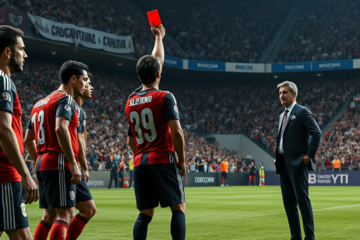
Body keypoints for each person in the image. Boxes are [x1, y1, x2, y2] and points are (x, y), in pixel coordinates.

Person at [126, 24, 186, 240]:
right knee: (178, 208)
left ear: (139, 76)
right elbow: (177, 132)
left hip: (141, 162)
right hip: (163, 159)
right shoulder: (165, 97)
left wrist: (158, 38)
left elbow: (130, 140)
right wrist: (181, 160)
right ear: (159, 73)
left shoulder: (130, 101)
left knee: (145, 213)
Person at [25, 60, 88, 240]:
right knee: (65, 215)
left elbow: (28, 139)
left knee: (50, 215)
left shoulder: (38, 104)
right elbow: (60, 128)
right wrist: (74, 164)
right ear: (73, 79)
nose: (85, 84)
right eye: (84, 79)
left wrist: (40, 159)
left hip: (44, 164)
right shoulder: (65, 99)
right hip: (60, 162)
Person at [0, 25, 39, 240]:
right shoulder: (3, 81)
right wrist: (26, 175)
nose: (25, 54)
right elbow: (4, 129)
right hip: (5, 176)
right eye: (21, 49)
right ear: (7, 52)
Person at [274, 81, 321, 240]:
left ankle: (310, 237)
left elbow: (317, 133)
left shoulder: (302, 112)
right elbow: (282, 139)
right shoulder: (282, 115)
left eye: (285, 92)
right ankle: (295, 236)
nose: (282, 96)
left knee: (302, 202)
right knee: (288, 204)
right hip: (283, 163)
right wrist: (278, 156)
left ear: (294, 94)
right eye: (280, 93)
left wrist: (309, 155)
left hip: (298, 164)